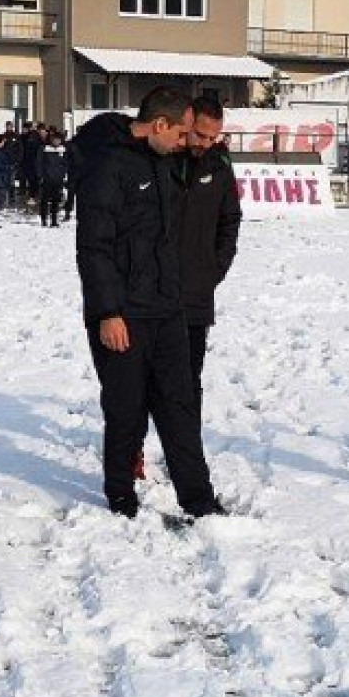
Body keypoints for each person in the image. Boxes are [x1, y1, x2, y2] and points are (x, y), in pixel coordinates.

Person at [73, 86, 226, 521]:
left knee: (179, 405)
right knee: (126, 409)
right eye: (181, 134)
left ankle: (198, 499)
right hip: (123, 314)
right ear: (159, 125)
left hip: (167, 307)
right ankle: (120, 495)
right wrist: (107, 312)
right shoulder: (108, 165)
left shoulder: (162, 163)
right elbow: (93, 247)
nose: (185, 143)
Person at [131, 97, 243, 480]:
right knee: (142, 380)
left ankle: (186, 455)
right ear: (188, 122)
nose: (204, 144)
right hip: (151, 293)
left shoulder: (220, 164)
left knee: (187, 383)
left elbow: (230, 222)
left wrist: (215, 269)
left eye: (213, 137)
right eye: (199, 135)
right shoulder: (161, 157)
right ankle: (134, 450)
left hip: (195, 297)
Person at [36, 130, 68, 227]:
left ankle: (54, 220)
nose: (56, 142)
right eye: (55, 140)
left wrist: (64, 175)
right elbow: (39, 163)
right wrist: (40, 176)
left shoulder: (63, 150)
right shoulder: (44, 149)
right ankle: (44, 219)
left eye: (58, 140)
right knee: (44, 200)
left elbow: (66, 164)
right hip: (46, 179)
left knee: (56, 201)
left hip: (58, 180)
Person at [21, 122, 43, 203]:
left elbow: (29, 150)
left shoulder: (32, 136)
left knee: (32, 180)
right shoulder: (34, 136)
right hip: (31, 161)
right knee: (33, 180)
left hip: (31, 162)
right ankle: (34, 195)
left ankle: (33, 196)